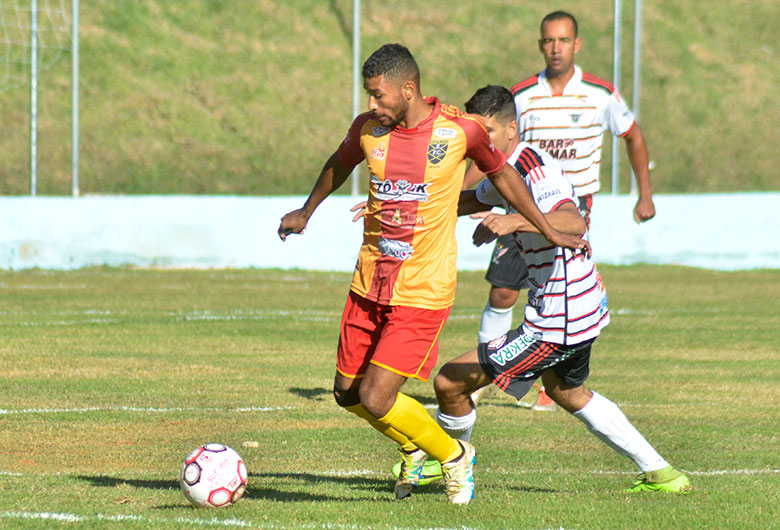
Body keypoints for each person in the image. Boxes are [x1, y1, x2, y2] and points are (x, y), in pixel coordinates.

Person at [277, 43, 589, 504]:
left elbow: (503, 178)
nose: (371, 105)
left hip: (423, 288)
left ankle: (454, 454)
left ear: (408, 89)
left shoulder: (460, 131)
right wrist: (306, 210)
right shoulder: (368, 130)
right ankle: (413, 444)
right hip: (369, 282)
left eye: (378, 95)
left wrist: (545, 225)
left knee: (379, 397)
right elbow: (339, 164)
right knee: (348, 394)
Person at [433, 84, 690, 494]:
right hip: (577, 306)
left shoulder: (534, 169)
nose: (477, 142)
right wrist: (399, 201)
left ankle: (448, 457)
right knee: (567, 392)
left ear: (512, 130)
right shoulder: (504, 169)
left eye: (486, 133)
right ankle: (662, 473)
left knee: (449, 381)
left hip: (558, 320)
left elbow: (573, 223)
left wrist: (514, 222)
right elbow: (461, 201)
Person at [466, 10, 657, 409]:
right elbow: (488, 152)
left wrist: (645, 194)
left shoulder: (599, 93)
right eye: (549, 41)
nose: (556, 48)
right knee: (503, 290)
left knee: (561, 288)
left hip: (569, 209)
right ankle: (490, 373)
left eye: (563, 40)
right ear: (540, 45)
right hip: (521, 200)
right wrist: (471, 195)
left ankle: (542, 380)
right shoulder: (520, 95)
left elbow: (632, 135)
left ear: (577, 44)